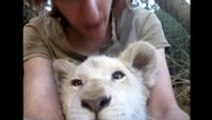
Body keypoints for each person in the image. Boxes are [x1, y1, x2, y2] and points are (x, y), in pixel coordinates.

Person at [23, 0, 190, 120]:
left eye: (117, 76)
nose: (91, 11)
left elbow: (164, 111)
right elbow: (39, 115)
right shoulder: (38, 33)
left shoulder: (142, 22)